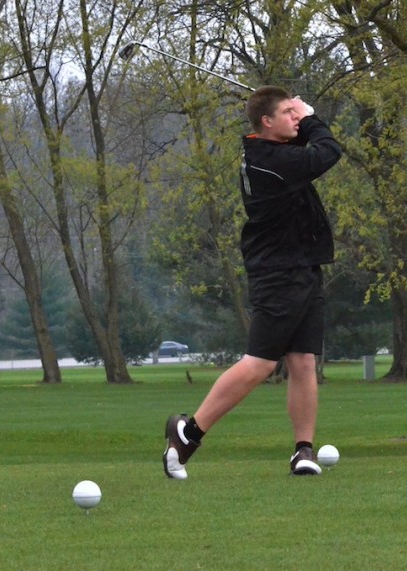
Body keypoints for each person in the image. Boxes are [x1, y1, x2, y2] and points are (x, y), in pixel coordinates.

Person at [162, 86, 343, 479]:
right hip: (279, 272)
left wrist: (300, 115)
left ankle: (303, 451)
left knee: (303, 361)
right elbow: (327, 153)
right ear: (266, 121)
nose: (295, 118)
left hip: (302, 266)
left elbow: (310, 152)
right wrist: (311, 118)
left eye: (296, 113)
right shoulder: (271, 161)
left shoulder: (273, 152)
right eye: (288, 113)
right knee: (260, 364)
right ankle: (188, 432)